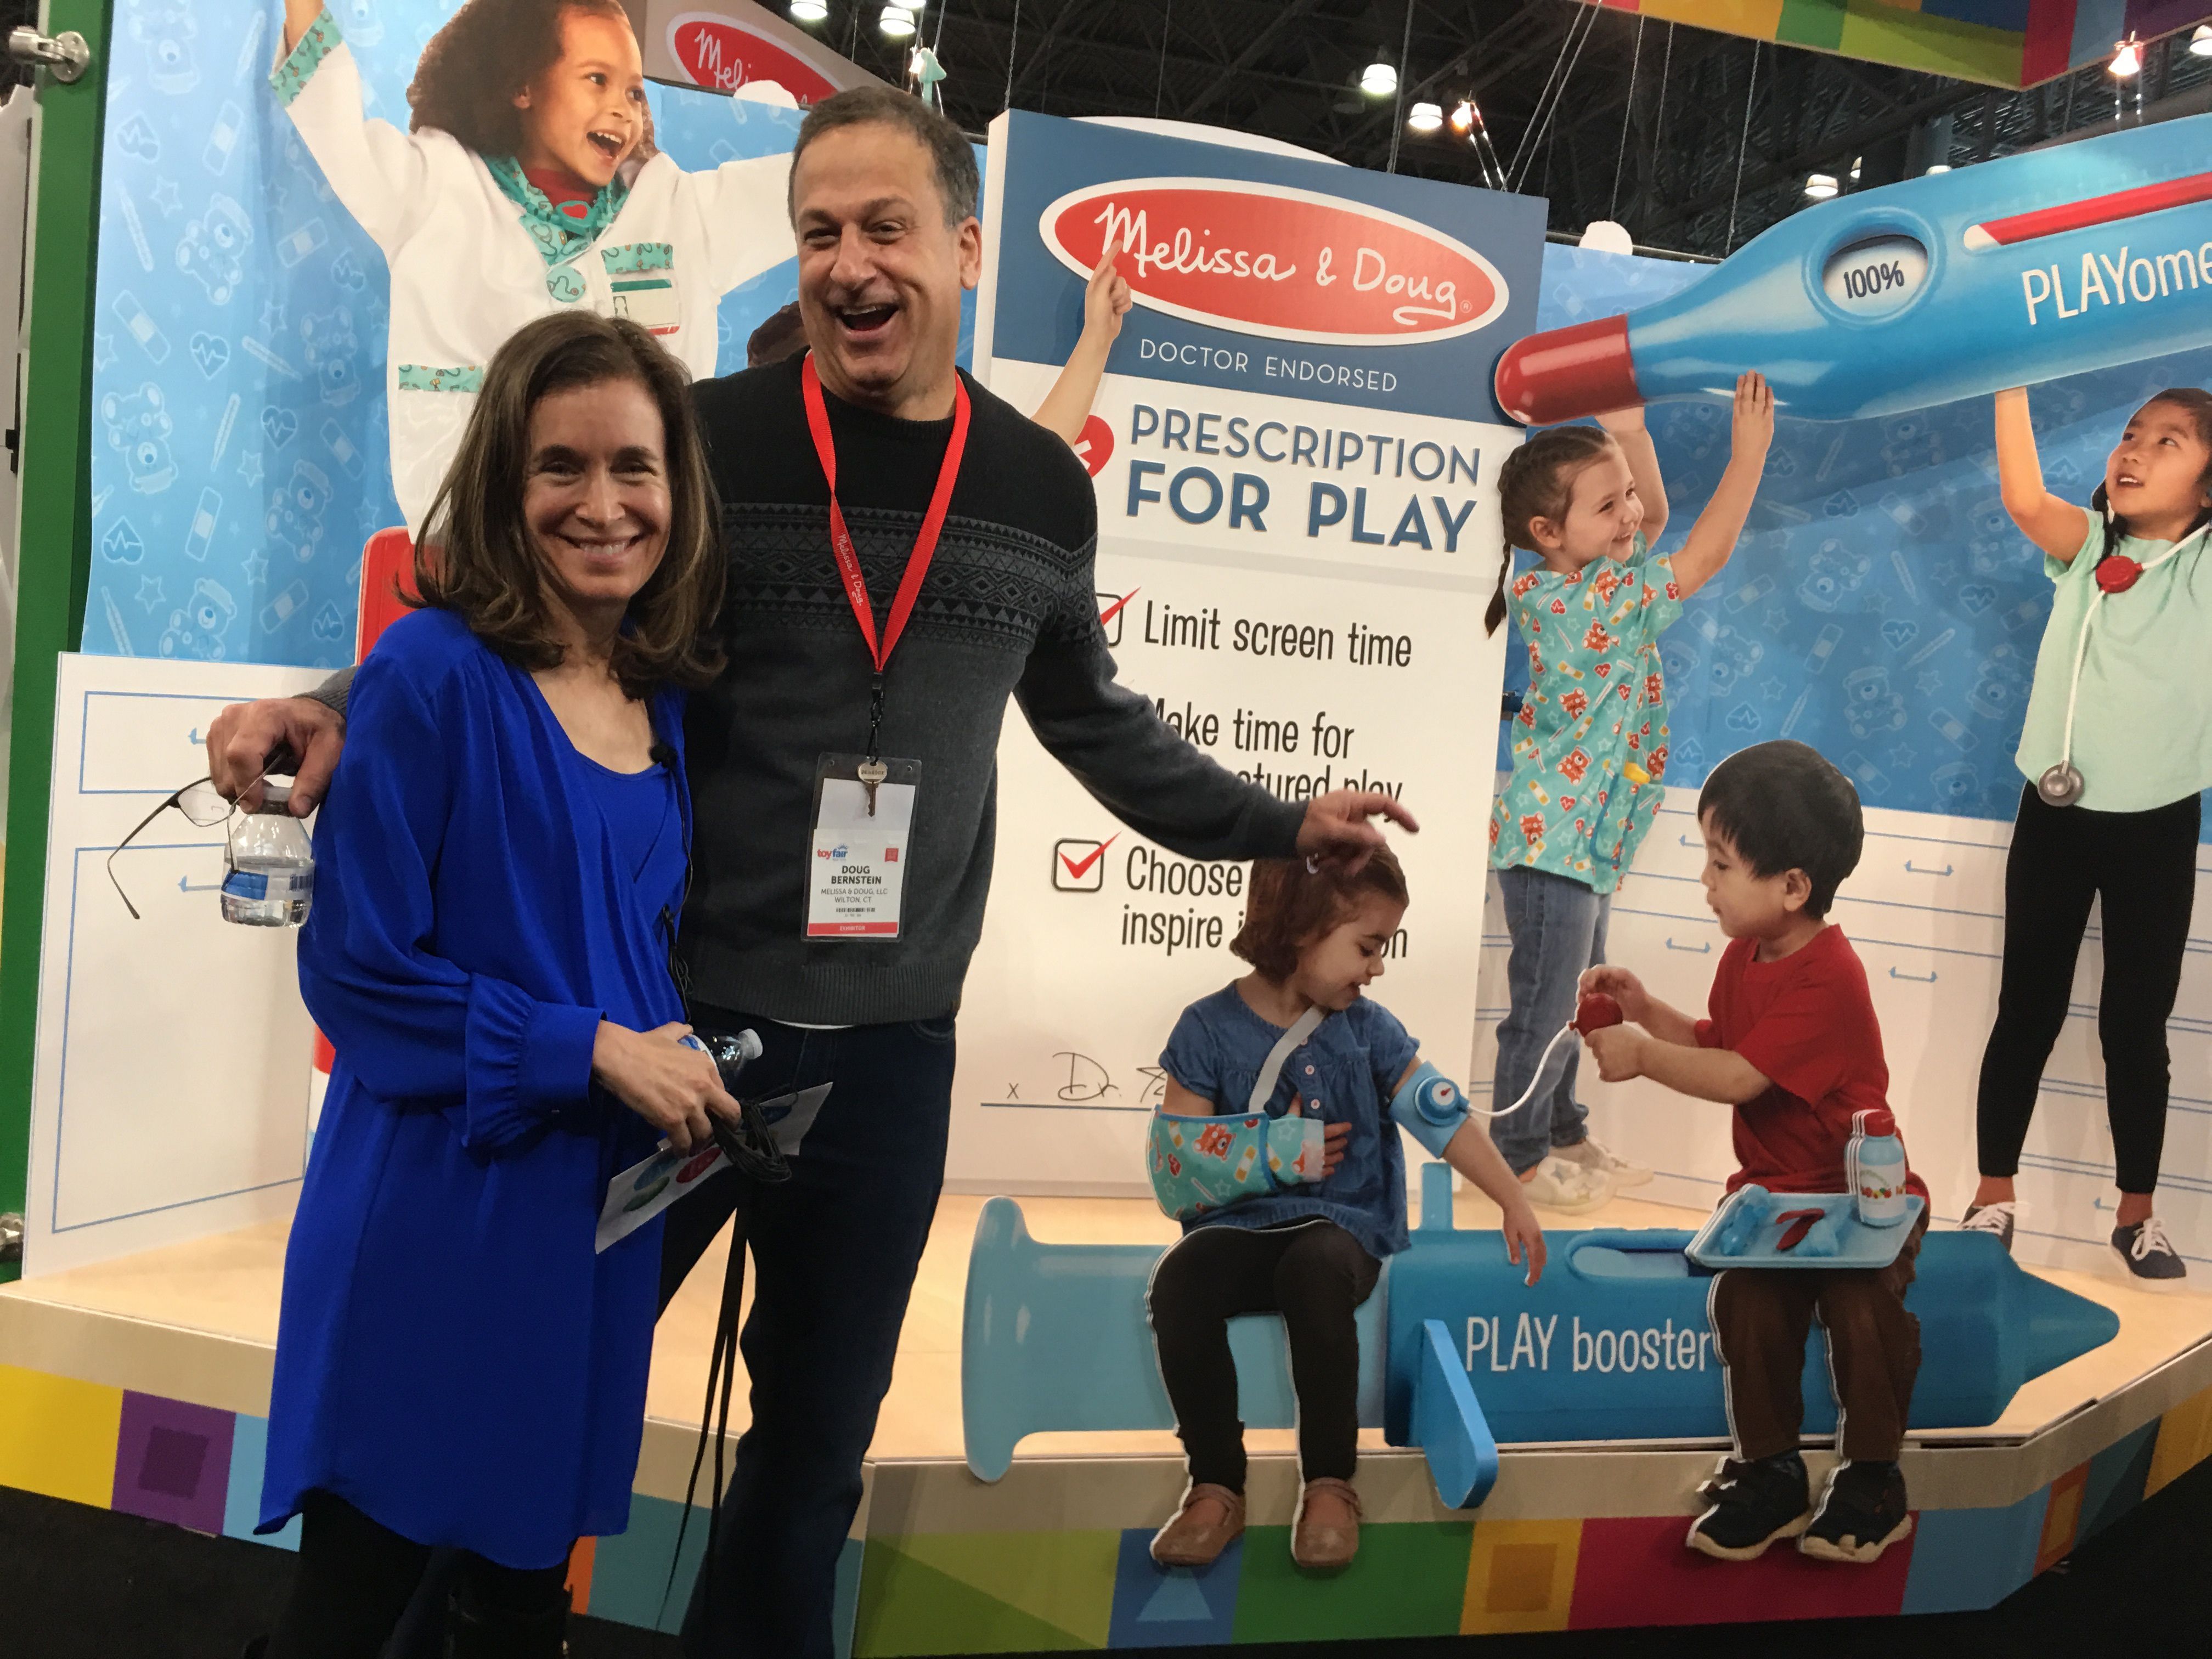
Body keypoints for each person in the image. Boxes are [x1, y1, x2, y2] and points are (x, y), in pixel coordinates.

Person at [207, 86, 1413, 1658]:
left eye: (886, 228)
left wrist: (1278, 824)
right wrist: (330, 700)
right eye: (818, 230)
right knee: (520, 1391)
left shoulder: (1042, 491)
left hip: (890, 1060)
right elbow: (529, 611)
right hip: (678, 1043)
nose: (848, 263)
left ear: (967, 247)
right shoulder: (708, 442)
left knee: (809, 1458)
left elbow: (1097, 727)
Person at [253, 311, 742, 1658]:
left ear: (676, 488)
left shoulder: (661, 689)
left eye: (633, 468)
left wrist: (674, 1054)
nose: (602, 505)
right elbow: (357, 977)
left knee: (524, 1593)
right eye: (560, 469)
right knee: (352, 1606)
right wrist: (587, 1048)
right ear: (502, 485)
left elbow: (610, 929)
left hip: (578, 1219)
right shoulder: (427, 677)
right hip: (436, 1209)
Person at [1145, 849, 1544, 1573]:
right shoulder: (1205, 1030)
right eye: (1367, 946)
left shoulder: (1369, 1031)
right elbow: (1177, 1168)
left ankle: (1330, 1481)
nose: (1376, 967)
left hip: (1342, 1229)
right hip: (1237, 1230)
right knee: (1179, 1281)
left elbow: (1440, 1116)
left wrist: (1512, 1196)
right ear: (1301, 927)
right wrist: (1269, 1154)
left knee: (1316, 1266)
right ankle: (1214, 1483)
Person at [1581, 740, 1926, 1566]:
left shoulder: (1829, 978)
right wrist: (1648, 1010)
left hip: (1860, 1203)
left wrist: (1641, 1055)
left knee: (1860, 1309)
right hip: (1779, 1204)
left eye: (1721, 862)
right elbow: (1720, 1041)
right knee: (1748, 1302)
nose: (1706, 879)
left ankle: (1875, 1475)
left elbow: (1739, 1076)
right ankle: (1770, 1470)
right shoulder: (1745, 955)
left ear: (1793, 887)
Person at [269, 0, 793, 533]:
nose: (623, 108)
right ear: (524, 87)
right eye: (597, 80)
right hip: (475, 551)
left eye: (634, 91)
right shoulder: (435, 187)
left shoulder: (681, 210)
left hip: (636, 560)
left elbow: (817, 185)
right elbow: (332, 122)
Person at [1485, 376, 1774, 1212]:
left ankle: (1562, 1129)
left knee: (1580, 996)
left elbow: (1649, 523)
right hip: (1553, 849)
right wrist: (1747, 455)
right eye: (1607, 506)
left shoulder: (1594, 581)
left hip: (1584, 845)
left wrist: (1630, 437)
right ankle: (1517, 1156)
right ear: (1549, 533)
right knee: (1544, 1010)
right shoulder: (1590, 605)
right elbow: (1705, 553)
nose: (1633, 514)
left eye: (1629, 498)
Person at [1961, 388, 2212, 1285]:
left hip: (2156, 823)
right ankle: (1992, 1195)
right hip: (2055, 812)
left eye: (2167, 442)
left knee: (2134, 1026)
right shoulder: (2087, 548)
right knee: (2025, 1006)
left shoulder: (2203, 564)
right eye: (2129, 434)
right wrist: (2012, 381)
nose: (2133, 452)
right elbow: (2027, 500)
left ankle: (2136, 1216)